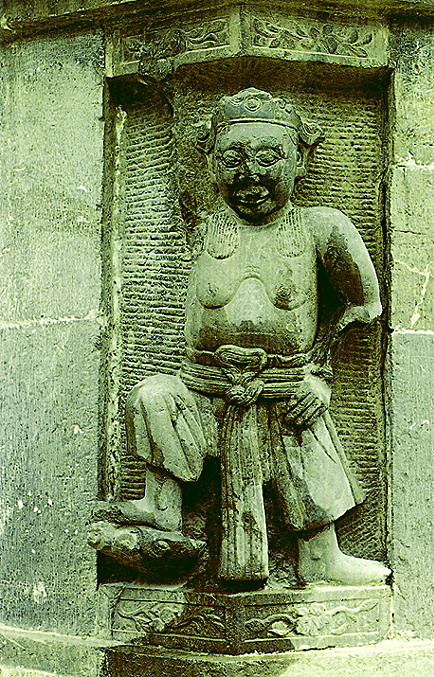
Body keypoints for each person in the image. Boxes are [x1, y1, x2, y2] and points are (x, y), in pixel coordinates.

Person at [94, 88, 390, 586]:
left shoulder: (321, 227)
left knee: (303, 431)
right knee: (152, 396)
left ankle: (320, 554)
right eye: (232, 160)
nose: (250, 175)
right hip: (204, 389)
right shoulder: (205, 225)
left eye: (268, 158)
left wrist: (320, 374)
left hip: (284, 386)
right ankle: (162, 507)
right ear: (212, 165)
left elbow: (366, 305)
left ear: (300, 159)